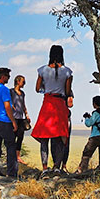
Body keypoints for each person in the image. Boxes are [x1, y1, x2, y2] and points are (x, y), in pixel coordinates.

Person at [31, 45, 73, 173]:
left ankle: (44, 168)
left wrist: (47, 88)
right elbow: (67, 91)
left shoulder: (42, 70)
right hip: (60, 104)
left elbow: (37, 89)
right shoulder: (67, 72)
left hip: (47, 103)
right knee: (60, 137)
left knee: (44, 137)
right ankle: (56, 167)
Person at [0, 67, 18, 178]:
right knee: (11, 145)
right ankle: (12, 173)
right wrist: (13, 121)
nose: (9, 78)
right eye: (8, 76)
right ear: (3, 77)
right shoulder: (4, 89)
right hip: (4, 121)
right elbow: (7, 106)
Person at [75, 95, 100, 173]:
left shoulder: (96, 113)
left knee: (87, 152)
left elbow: (89, 123)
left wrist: (87, 118)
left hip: (95, 136)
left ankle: (82, 169)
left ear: (94, 103)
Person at [10, 75, 30, 165]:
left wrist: (26, 114)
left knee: (20, 137)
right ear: (18, 81)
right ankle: (12, 157)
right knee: (12, 137)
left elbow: (23, 104)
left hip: (21, 118)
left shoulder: (22, 93)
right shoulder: (11, 92)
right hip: (13, 118)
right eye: (23, 82)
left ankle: (18, 157)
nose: (24, 84)